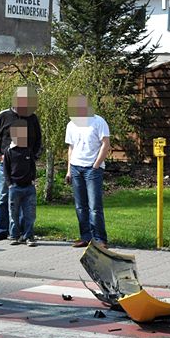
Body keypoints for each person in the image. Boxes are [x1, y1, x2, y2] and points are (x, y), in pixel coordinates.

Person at [0, 86, 42, 241]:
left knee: (26, 201)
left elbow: (39, 140)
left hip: (26, 166)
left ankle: (24, 233)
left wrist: (34, 158)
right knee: (5, 197)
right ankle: (1, 230)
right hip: (7, 165)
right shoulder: (3, 116)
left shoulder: (32, 118)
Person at [65, 95, 111, 249]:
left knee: (95, 206)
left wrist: (96, 165)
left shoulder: (98, 122)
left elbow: (106, 144)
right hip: (76, 167)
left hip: (92, 169)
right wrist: (69, 170)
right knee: (80, 206)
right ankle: (86, 237)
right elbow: (71, 148)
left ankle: (100, 239)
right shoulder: (71, 124)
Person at [2, 119, 38, 246]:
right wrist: (10, 184)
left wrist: (33, 179)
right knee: (14, 213)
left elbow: (32, 166)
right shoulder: (9, 151)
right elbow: (6, 169)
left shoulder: (28, 150)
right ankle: (14, 236)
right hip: (15, 187)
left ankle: (28, 236)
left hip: (28, 187)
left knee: (30, 213)